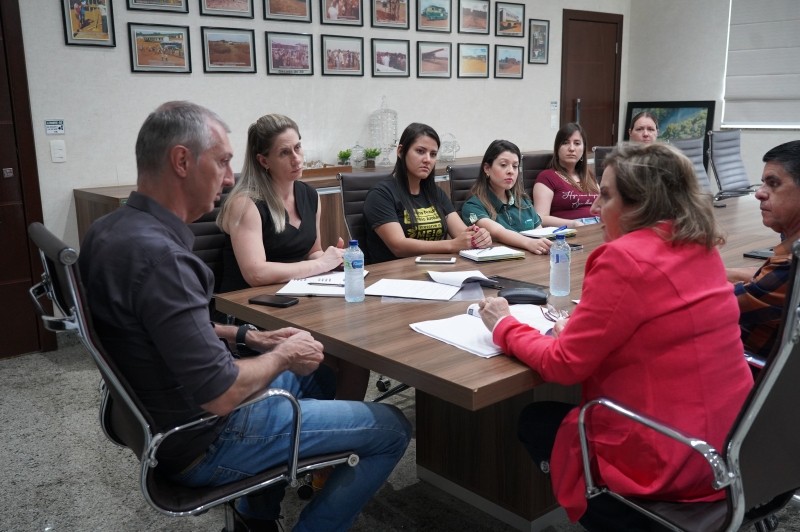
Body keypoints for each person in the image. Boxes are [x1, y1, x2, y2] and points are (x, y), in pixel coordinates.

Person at [79, 101, 411, 532]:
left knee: (325, 379)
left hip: (162, 418)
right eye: (221, 161)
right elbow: (221, 392)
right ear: (182, 161)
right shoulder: (165, 260)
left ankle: (255, 516)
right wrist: (283, 354)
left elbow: (156, 328)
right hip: (208, 436)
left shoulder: (109, 232)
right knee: (393, 429)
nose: (230, 177)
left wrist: (251, 339)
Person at [478, 143, 753, 530]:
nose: (593, 209)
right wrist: (579, 330)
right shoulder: (700, 245)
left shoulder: (623, 258)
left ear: (640, 203)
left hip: (671, 460)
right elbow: (660, 327)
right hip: (733, 446)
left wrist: (503, 326)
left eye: (605, 196)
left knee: (535, 421)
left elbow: (564, 365)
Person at [217, 113, 369, 400]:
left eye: (298, 148)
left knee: (356, 353)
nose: (297, 159)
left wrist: (330, 259)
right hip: (253, 309)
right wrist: (318, 263)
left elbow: (312, 251)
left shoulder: (310, 195)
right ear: (264, 161)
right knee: (337, 357)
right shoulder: (246, 202)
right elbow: (255, 273)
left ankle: (338, 428)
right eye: (284, 153)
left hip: (298, 300)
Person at [363, 122, 491, 263]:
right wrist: (451, 245)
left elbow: (462, 233)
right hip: (395, 275)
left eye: (433, 154)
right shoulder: (381, 194)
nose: (427, 160)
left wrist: (478, 236)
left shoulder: (436, 193)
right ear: (400, 151)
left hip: (437, 269)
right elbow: (398, 246)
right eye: (420, 151)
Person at [727, 140, 800, 358]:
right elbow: (760, 277)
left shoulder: (790, 269)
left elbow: (713, 305)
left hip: (750, 372)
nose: (760, 193)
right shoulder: (791, 252)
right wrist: (715, 272)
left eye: (773, 183)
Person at [461, 139, 552, 255]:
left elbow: (539, 232)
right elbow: (498, 232)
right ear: (487, 168)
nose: (511, 171)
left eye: (515, 166)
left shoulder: (523, 201)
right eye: (503, 165)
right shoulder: (473, 206)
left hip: (532, 261)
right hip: (499, 265)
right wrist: (529, 243)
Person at [532, 122, 600, 229]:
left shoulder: (589, 176)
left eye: (577, 143)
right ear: (557, 148)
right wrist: (573, 224)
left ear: (583, 149)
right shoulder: (547, 177)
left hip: (599, 225)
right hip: (571, 229)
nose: (572, 148)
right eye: (565, 143)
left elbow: (603, 205)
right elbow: (540, 217)